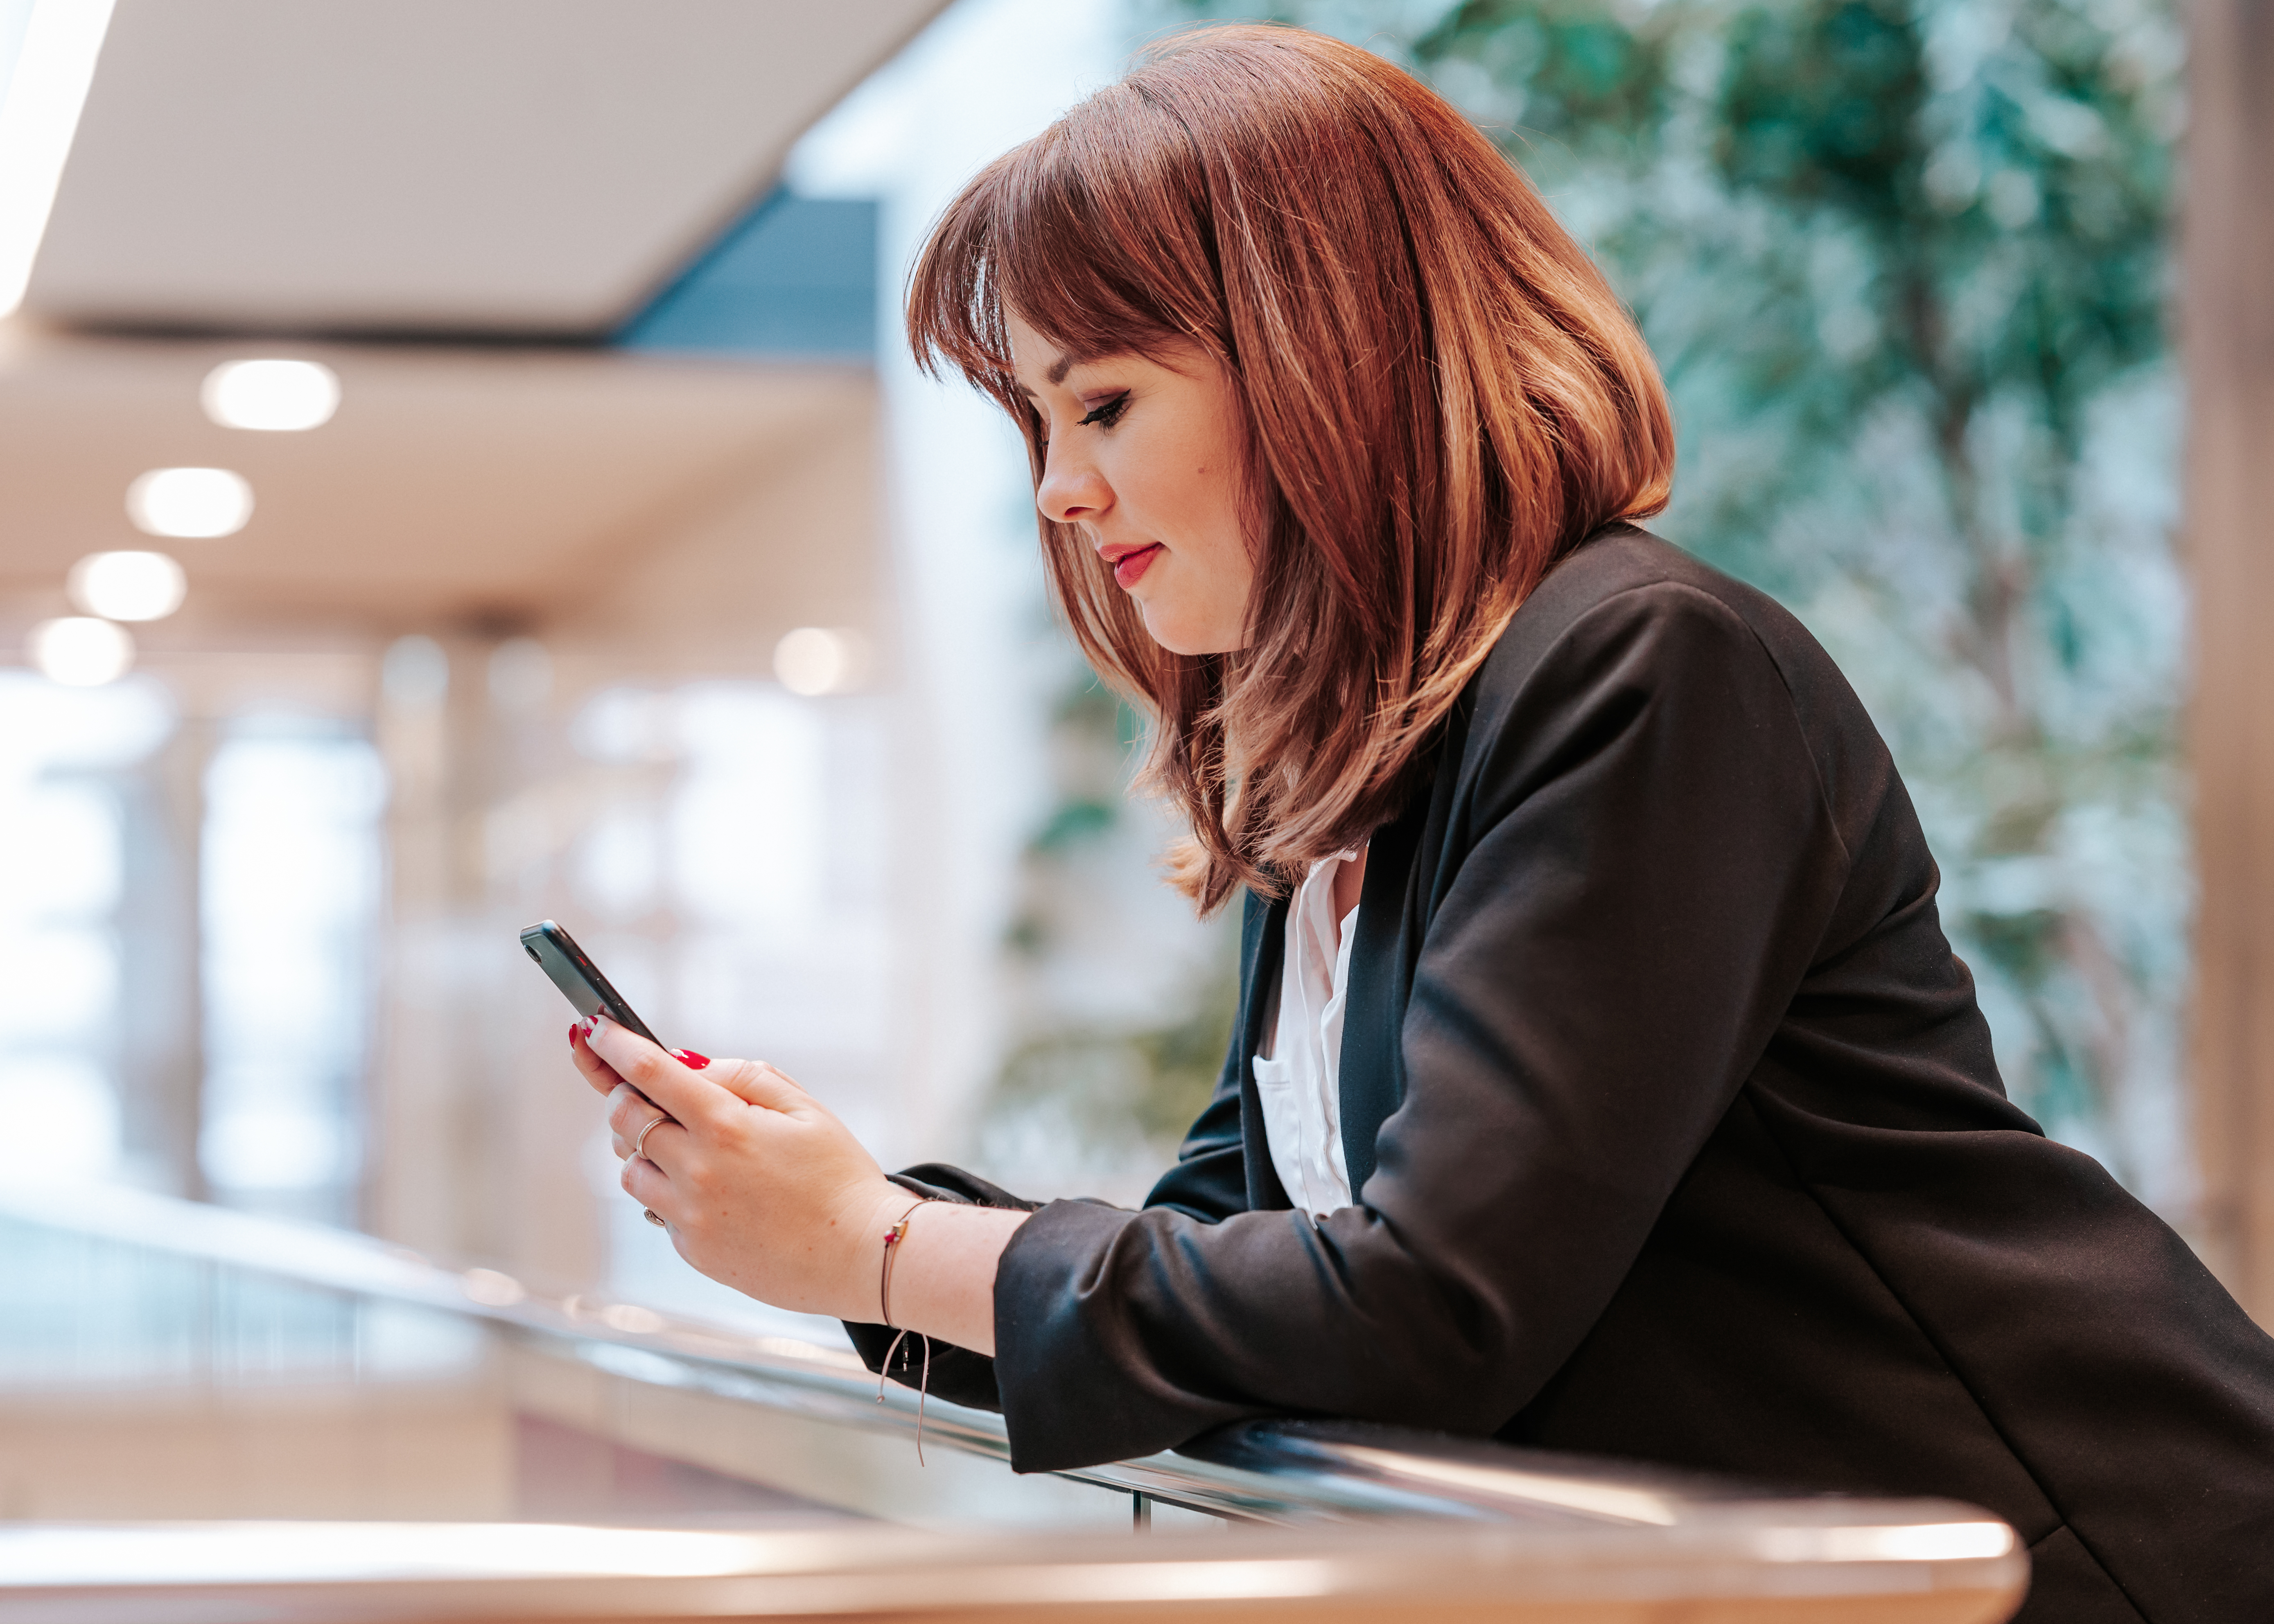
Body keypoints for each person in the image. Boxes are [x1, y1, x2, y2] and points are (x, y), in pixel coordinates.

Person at [570, 24, 2274, 1621]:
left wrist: (879, 1244)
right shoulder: (1344, 766)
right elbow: (1244, 1263)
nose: (1059, 491)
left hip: (2078, 1559)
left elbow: (1430, 1302)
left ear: (1323, 357)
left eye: (1101, 405)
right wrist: (843, 1220)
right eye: (1035, 423)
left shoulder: (1641, 665)